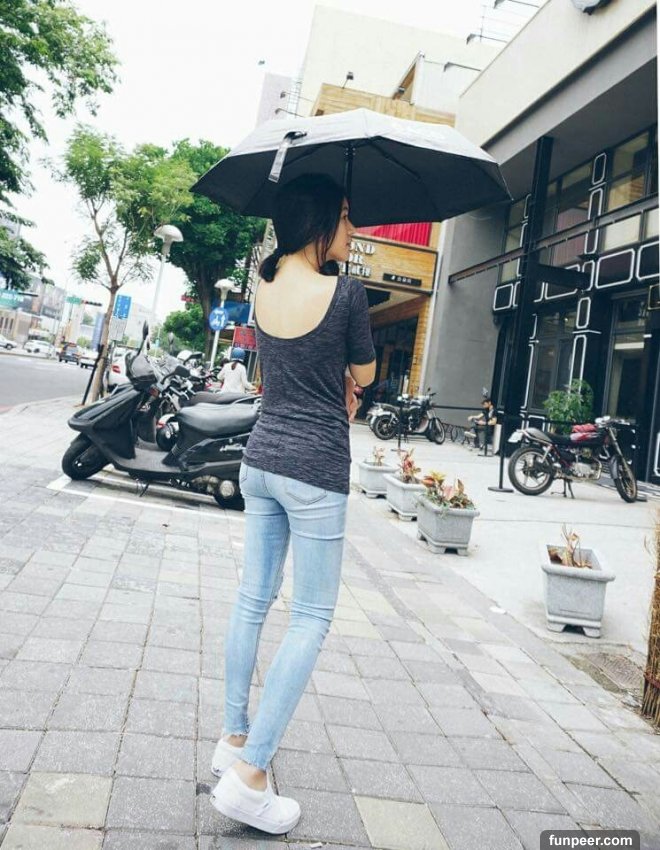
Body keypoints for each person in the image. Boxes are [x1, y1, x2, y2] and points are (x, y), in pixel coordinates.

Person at [209, 174, 376, 834]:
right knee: (310, 616)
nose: (353, 230)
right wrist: (345, 382)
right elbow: (365, 374)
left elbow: (284, 365)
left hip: (261, 458)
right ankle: (252, 777)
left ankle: (233, 739)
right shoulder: (348, 293)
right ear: (320, 221)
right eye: (347, 217)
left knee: (253, 598)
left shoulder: (265, 285)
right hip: (315, 468)